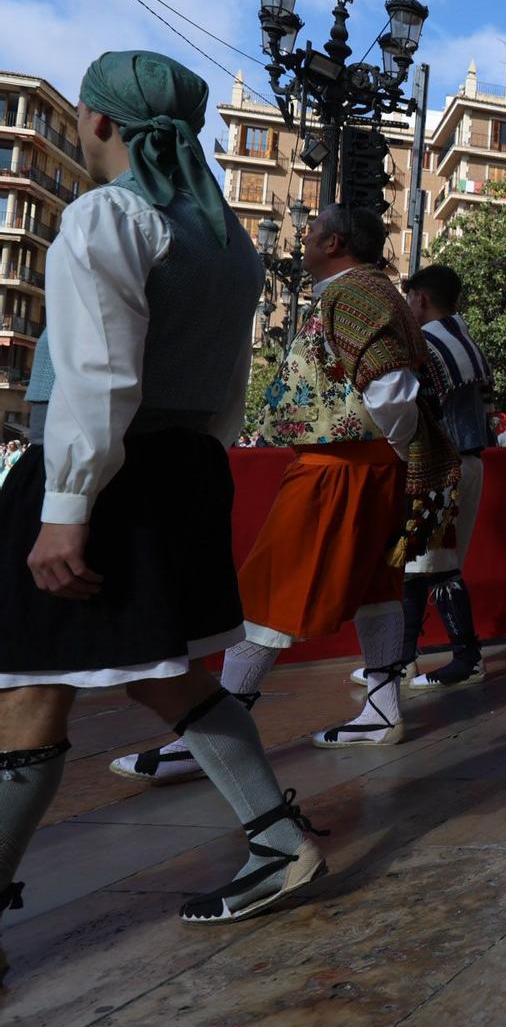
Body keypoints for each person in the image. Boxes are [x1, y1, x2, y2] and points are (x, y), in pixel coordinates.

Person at [2, 51, 326, 958]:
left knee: (27, 680)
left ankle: (276, 838)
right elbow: (227, 388)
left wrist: (66, 503)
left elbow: (97, 375)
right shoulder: (224, 239)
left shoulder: (108, 216)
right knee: (151, 668)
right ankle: (276, 837)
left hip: (106, 475)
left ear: (99, 123)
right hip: (179, 466)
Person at [111, 204, 459, 785]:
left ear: (337, 242)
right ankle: (381, 709)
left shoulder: (352, 294)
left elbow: (392, 389)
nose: (302, 241)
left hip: (339, 468)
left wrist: (396, 453)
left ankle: (213, 736)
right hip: (364, 467)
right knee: (376, 587)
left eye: (311, 232)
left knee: (267, 593)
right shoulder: (373, 291)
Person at [393, 265, 493, 689]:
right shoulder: (464, 339)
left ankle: (467, 657)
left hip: (440, 466)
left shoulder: (426, 344)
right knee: (419, 564)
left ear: (420, 298)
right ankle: (403, 659)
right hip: (469, 461)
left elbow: (410, 408)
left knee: (437, 566)